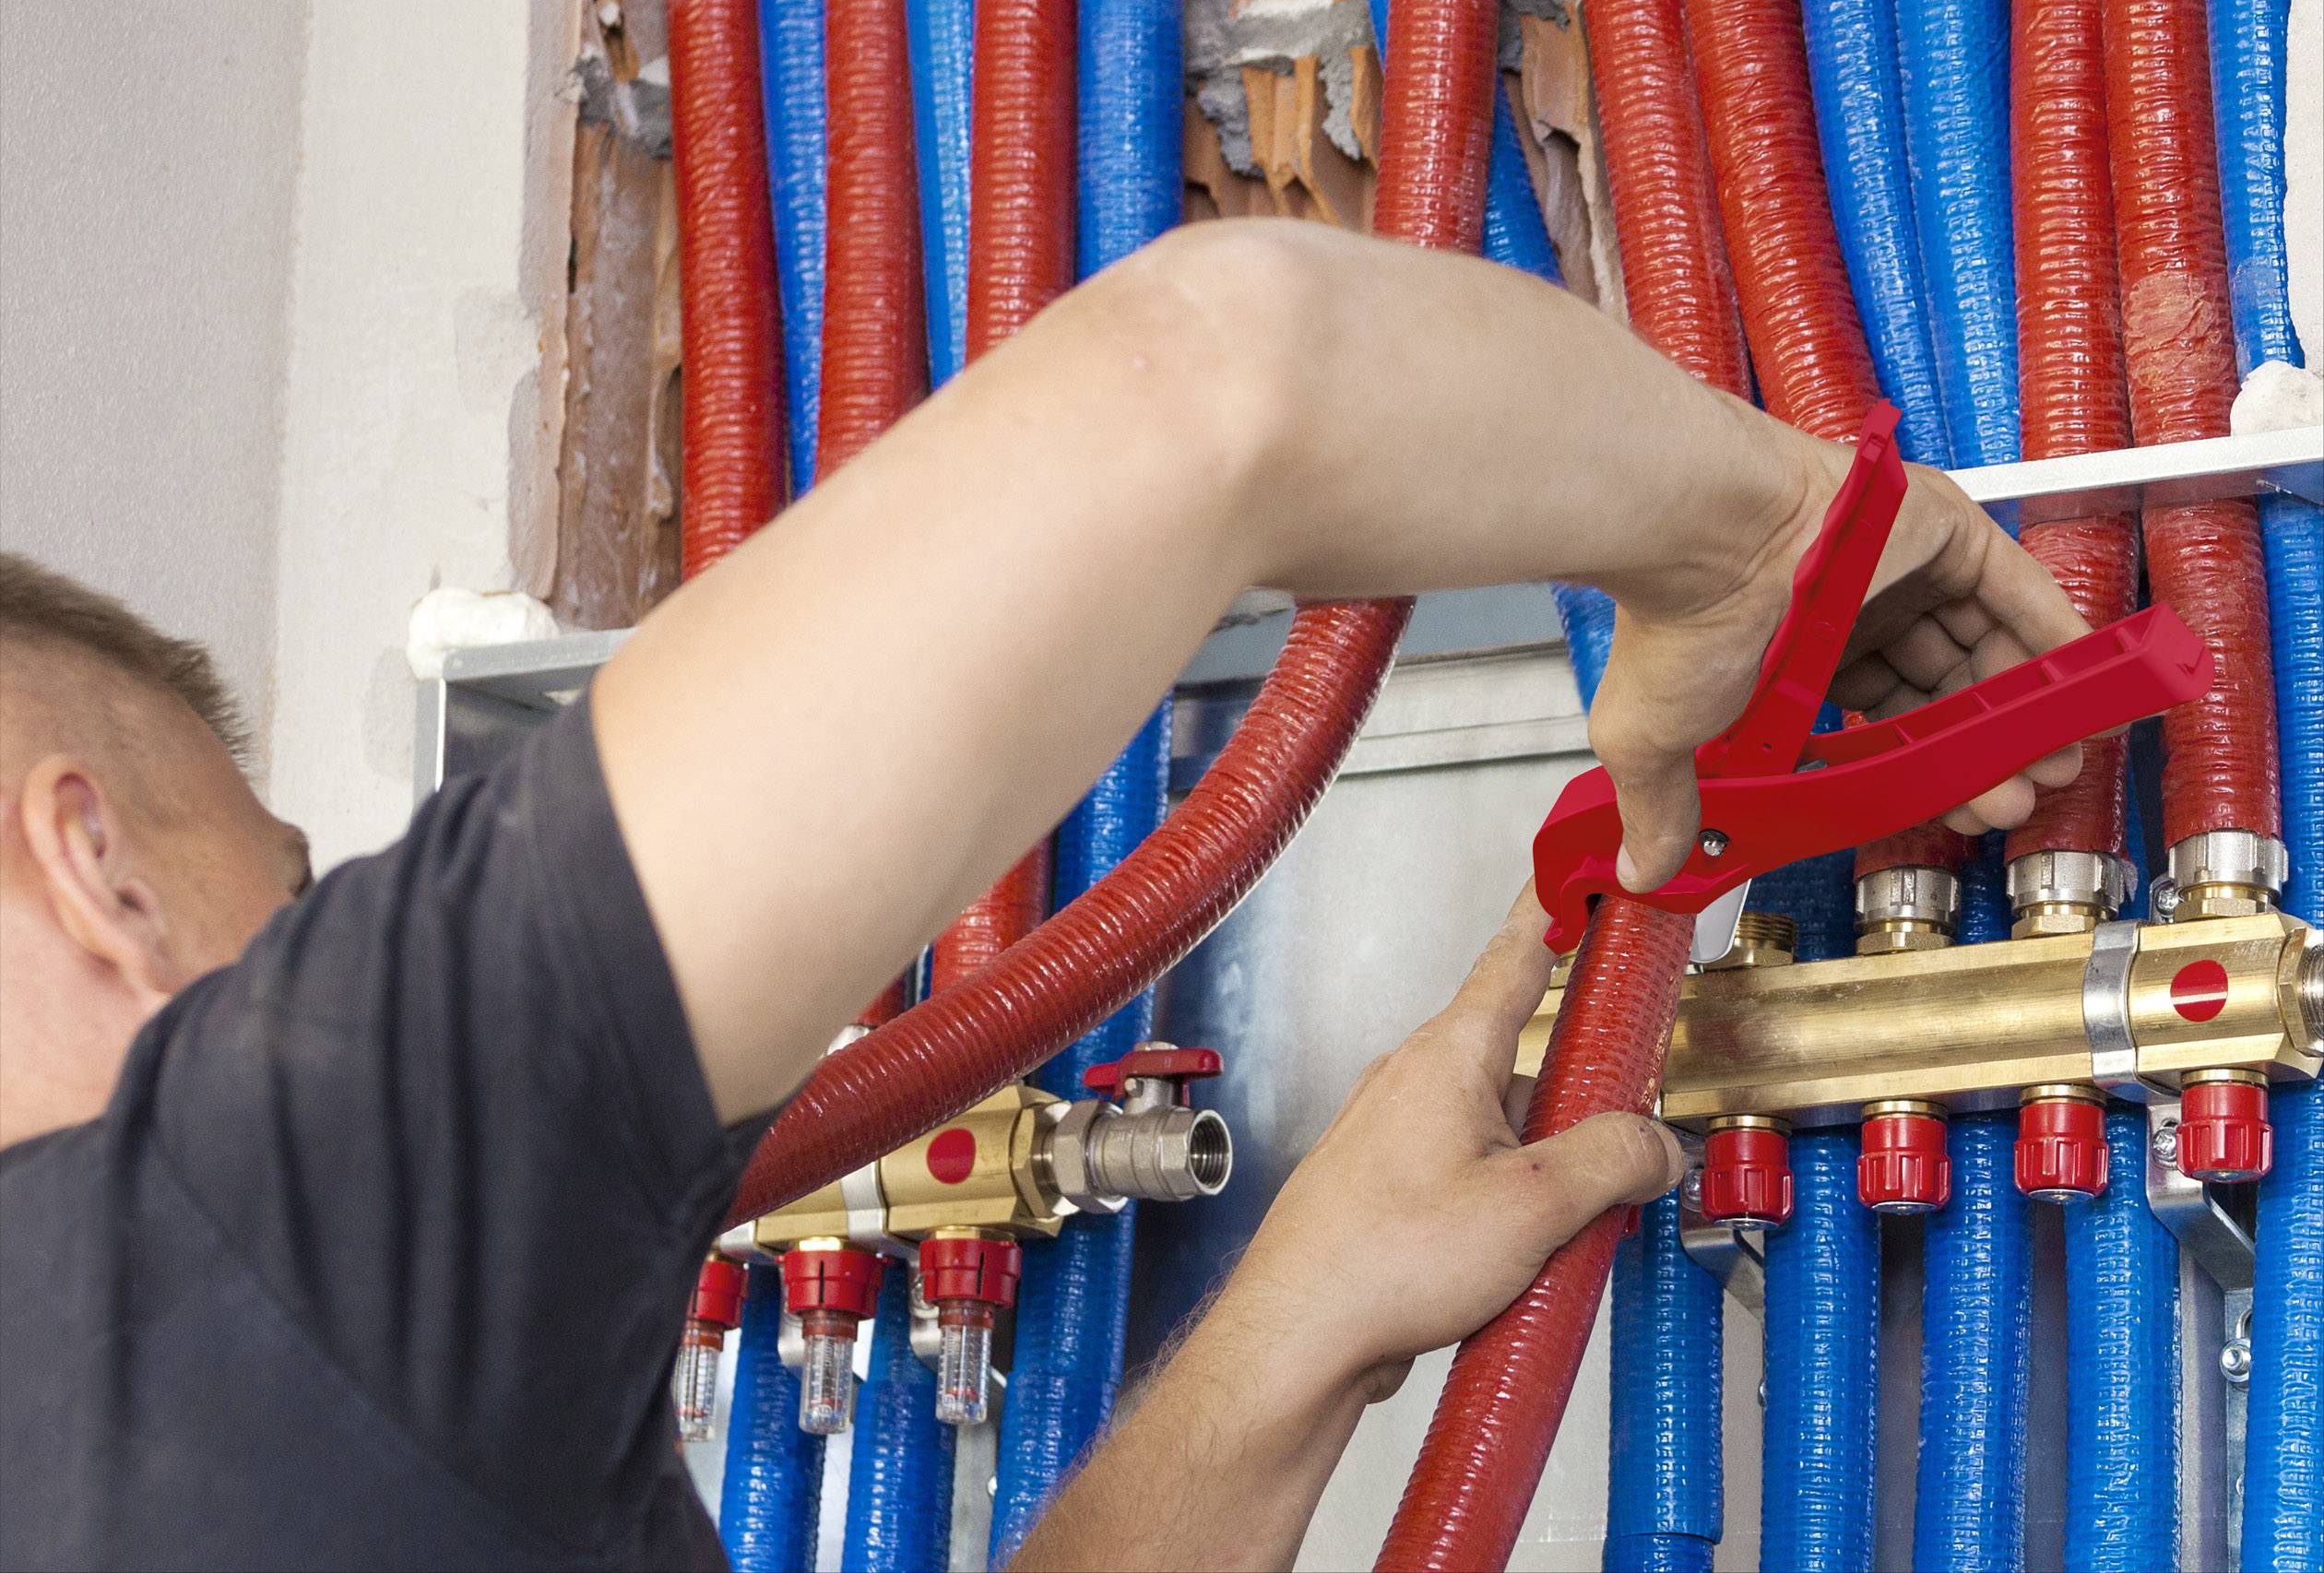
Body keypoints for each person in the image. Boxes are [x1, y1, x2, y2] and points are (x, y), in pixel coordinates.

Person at [0, 220, 2082, 1571]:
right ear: (90, 858)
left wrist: (1284, 1332)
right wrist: (1757, 534)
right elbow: (1215, 371)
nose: (323, 937)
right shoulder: (234, 1237)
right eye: (289, 892)